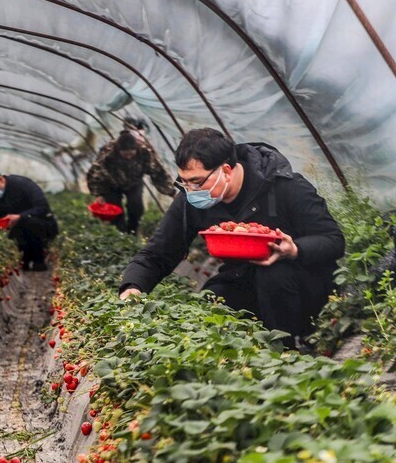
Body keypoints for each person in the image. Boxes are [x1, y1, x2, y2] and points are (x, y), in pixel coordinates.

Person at [118, 128, 345, 346]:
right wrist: (133, 286)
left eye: (196, 181)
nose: (189, 190)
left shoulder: (285, 186)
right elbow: (160, 251)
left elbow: (333, 240)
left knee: (273, 277)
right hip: (243, 278)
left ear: (225, 171)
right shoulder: (192, 199)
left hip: (302, 283)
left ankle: (290, 350)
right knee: (212, 302)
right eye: (183, 181)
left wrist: (294, 249)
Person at [86, 128, 177, 234]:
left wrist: (172, 192)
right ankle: (119, 233)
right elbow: (95, 174)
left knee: (136, 207)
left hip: (134, 183)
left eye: (131, 154)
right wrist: (99, 194)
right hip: (111, 184)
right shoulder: (107, 153)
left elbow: (158, 173)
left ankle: (132, 232)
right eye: (125, 154)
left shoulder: (145, 152)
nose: (128, 157)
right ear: (118, 151)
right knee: (115, 210)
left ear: (136, 149)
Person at [0, 169, 58, 271]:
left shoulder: (22, 184)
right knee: (17, 232)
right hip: (24, 225)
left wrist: (21, 216)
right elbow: (3, 207)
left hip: (43, 224)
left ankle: (39, 261)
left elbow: (42, 207)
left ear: (1, 179)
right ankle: (26, 261)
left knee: (29, 226)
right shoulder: (4, 192)